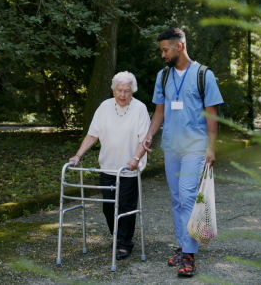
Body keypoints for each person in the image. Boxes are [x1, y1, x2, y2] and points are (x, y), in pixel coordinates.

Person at [142, 27, 223, 277]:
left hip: (195, 147)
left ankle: (189, 255)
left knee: (188, 196)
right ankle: (181, 245)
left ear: (179, 46)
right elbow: (159, 111)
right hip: (171, 146)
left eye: (165, 50)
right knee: (177, 198)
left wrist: (211, 147)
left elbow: (212, 114)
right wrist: (149, 135)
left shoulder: (203, 75)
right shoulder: (163, 77)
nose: (162, 54)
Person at [69, 71, 150, 261]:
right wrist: (78, 155)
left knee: (125, 207)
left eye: (127, 91)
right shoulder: (105, 107)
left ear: (132, 92)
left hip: (128, 168)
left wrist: (136, 159)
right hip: (107, 166)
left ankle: (124, 244)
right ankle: (116, 236)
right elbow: (92, 135)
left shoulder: (139, 108)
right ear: (113, 90)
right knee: (108, 207)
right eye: (119, 90)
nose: (122, 95)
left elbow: (144, 140)